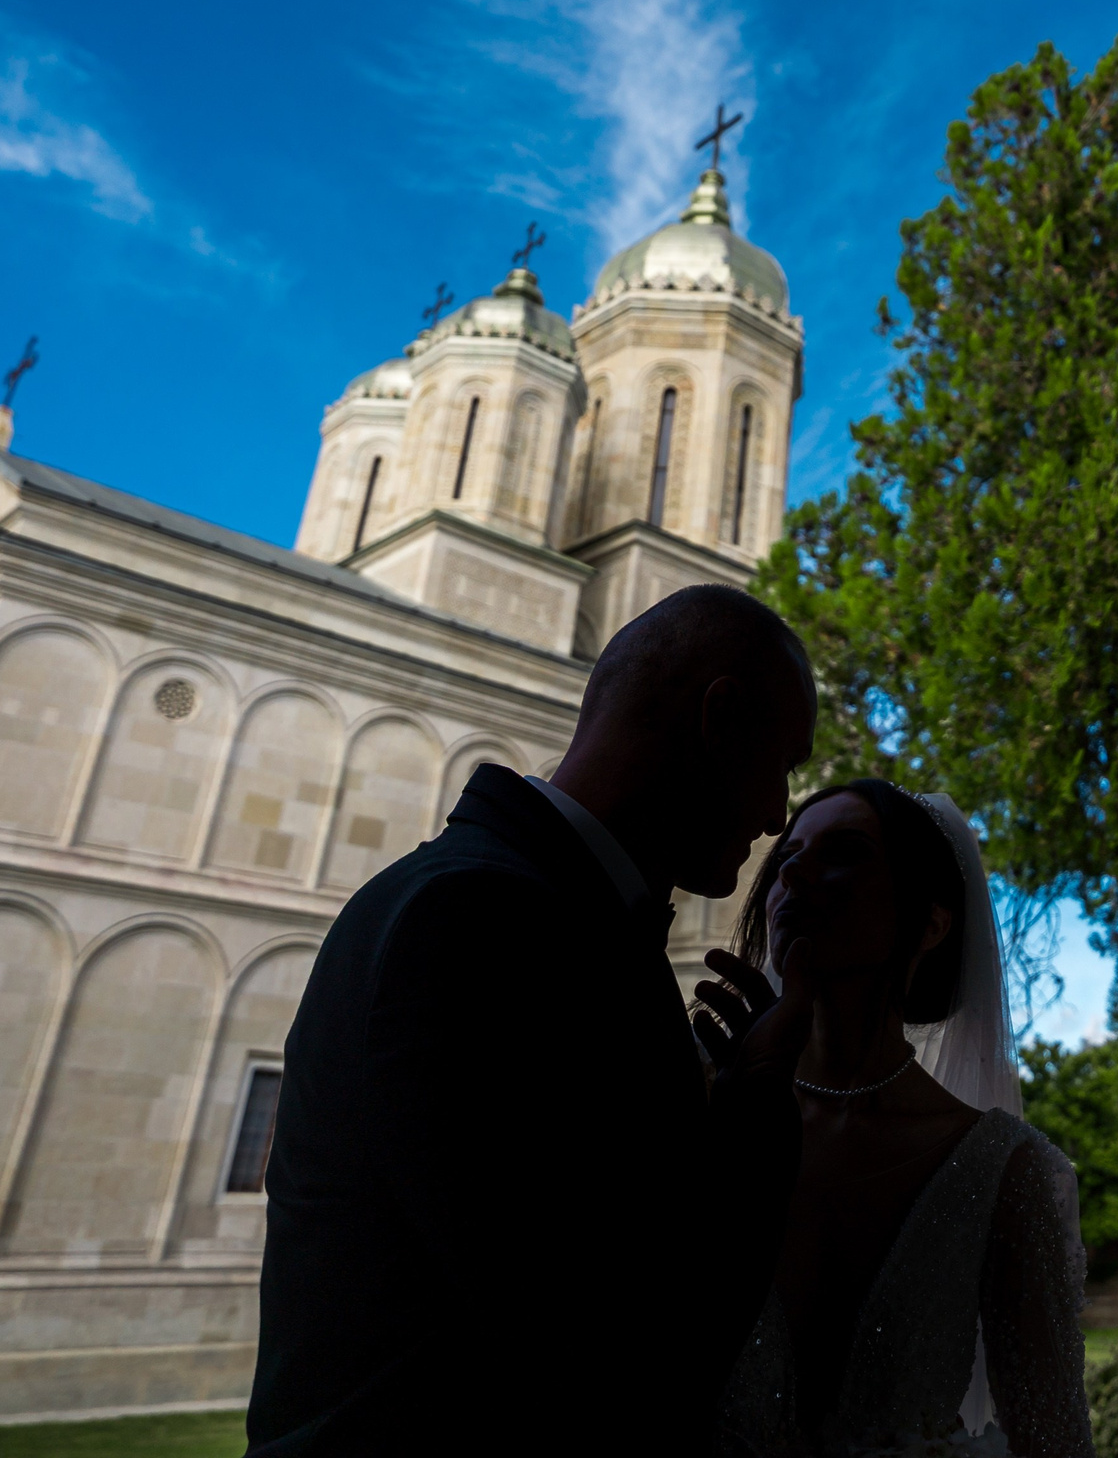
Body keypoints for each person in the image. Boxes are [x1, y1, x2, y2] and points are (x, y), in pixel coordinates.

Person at [247, 584, 819, 1458]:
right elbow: (619, 1353)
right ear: (720, 718)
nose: (777, 815)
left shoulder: (535, 909)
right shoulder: (480, 921)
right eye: (783, 763)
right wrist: (760, 1101)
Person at [695, 780, 1097, 1458]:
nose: (793, 871)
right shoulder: (700, 1105)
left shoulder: (1002, 1171)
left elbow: (1051, 1439)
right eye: (787, 855)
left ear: (932, 923)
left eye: (845, 851)